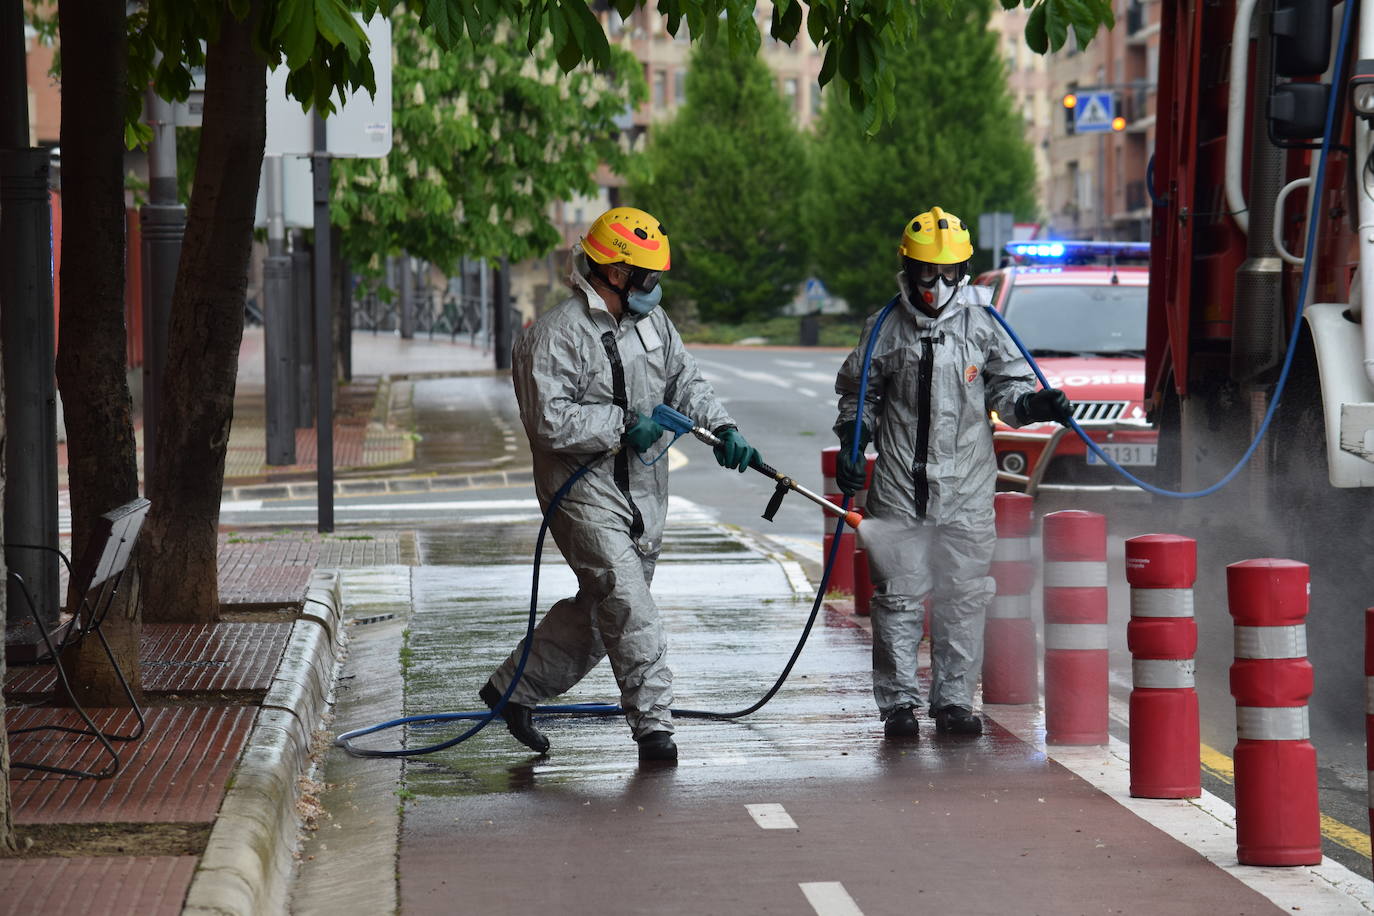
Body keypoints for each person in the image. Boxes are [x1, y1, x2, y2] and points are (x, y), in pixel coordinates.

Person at [480, 206, 762, 762]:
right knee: (631, 608)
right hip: (582, 495)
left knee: (598, 615)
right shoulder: (555, 337)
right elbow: (548, 421)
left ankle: (512, 690)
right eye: (646, 276)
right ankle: (655, 730)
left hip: (645, 495)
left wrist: (723, 426)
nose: (654, 288)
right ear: (612, 271)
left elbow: (685, 381)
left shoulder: (654, 326)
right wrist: (621, 424)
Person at [832, 207, 1071, 739]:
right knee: (898, 597)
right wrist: (854, 438)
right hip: (898, 487)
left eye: (948, 274)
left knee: (963, 595)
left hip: (965, 488)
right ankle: (898, 706)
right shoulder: (884, 329)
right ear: (907, 268)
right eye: (926, 273)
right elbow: (860, 392)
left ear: (962, 271)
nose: (937, 286)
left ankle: (954, 702)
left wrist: (1033, 407)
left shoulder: (984, 326)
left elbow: (1007, 392)